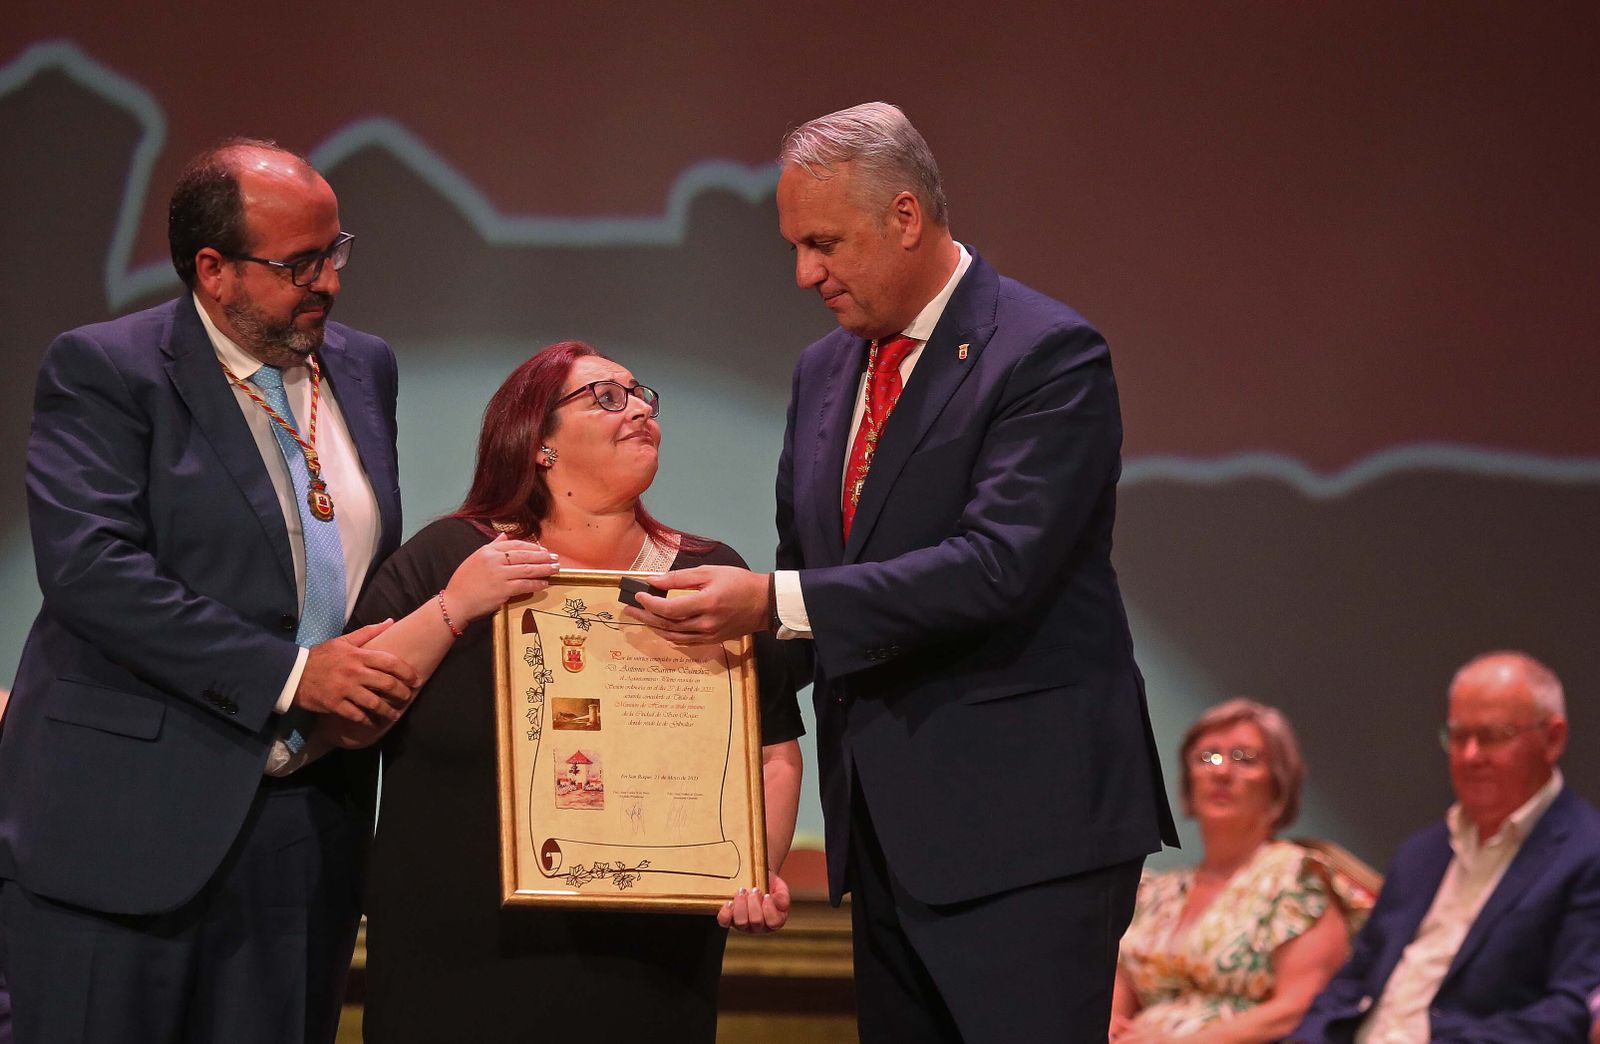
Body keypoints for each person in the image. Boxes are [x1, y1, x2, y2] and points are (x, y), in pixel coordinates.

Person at [625, 101, 1177, 1041]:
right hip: (883, 836)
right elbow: (809, 574)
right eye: (796, 245)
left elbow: (999, 567)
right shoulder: (823, 373)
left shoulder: (1045, 353)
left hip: (1023, 835)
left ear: (907, 217)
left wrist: (762, 603)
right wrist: (652, 677)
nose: (806, 273)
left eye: (825, 243)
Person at [0, 140, 416, 1044]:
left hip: (305, 828)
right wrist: (293, 674)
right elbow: (90, 570)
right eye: (296, 264)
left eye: (335, 252)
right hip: (124, 827)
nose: (327, 283)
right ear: (213, 269)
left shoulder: (365, 367)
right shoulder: (109, 368)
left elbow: (366, 568)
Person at [331, 341, 805, 1043]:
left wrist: (752, 870)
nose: (640, 407)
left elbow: (772, 754)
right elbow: (350, 713)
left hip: (647, 967)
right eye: (607, 396)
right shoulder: (448, 559)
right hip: (455, 964)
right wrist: (457, 605)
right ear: (537, 444)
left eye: (642, 393)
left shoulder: (708, 576)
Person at [1292, 651, 1600, 1042]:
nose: (1470, 755)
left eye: (1492, 736)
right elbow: (1353, 982)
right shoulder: (1421, 853)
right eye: (1458, 737)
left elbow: (1570, 1012)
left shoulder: (1587, 854)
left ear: (1552, 738)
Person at [1112, 699, 1357, 1041]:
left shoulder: (1298, 878)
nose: (1222, 771)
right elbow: (1115, 1001)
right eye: (1207, 757)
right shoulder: (1156, 893)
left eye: (1244, 758)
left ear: (1278, 783)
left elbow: (1301, 1006)